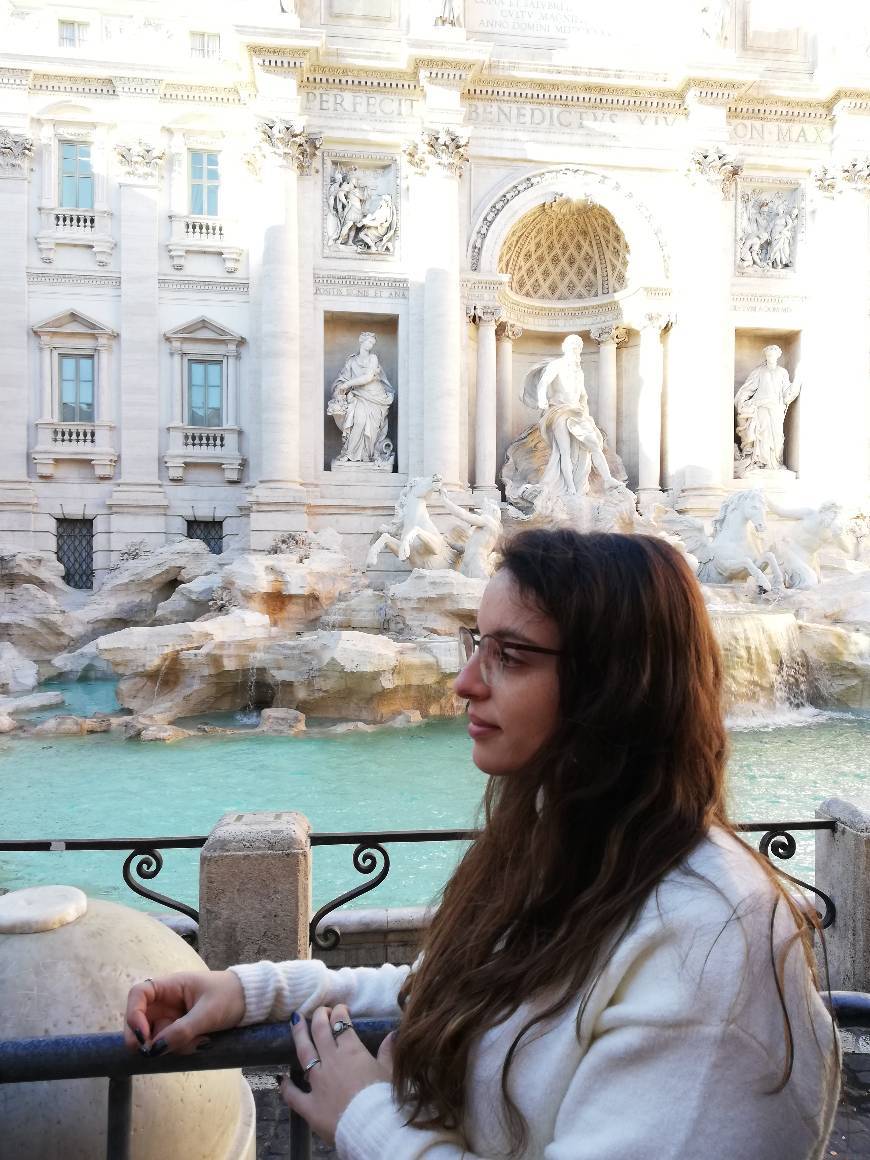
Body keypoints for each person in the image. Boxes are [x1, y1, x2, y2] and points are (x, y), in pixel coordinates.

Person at [126, 530, 839, 1158]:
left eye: (511, 656)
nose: (465, 682)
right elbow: (450, 990)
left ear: (613, 686)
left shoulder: (706, 940)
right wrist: (253, 992)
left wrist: (367, 1120)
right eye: (476, 643)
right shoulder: (579, 854)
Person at [326, 332, 394, 466]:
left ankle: (366, 455)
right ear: (361, 341)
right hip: (358, 396)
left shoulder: (373, 358)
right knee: (359, 421)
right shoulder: (351, 361)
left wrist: (348, 384)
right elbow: (342, 380)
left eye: (372, 343)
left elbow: (368, 377)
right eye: (369, 342)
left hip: (375, 397)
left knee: (371, 427)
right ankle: (349, 454)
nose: (370, 345)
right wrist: (341, 388)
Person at [734, 344, 800, 472]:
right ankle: (761, 462)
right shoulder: (758, 371)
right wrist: (742, 401)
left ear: (778, 356)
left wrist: (796, 383)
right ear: (766, 356)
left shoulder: (782, 372)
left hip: (776, 408)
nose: (770, 357)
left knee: (777, 436)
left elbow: (786, 393)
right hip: (762, 406)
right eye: (768, 355)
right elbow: (747, 389)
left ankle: (774, 463)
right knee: (763, 434)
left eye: (773, 354)